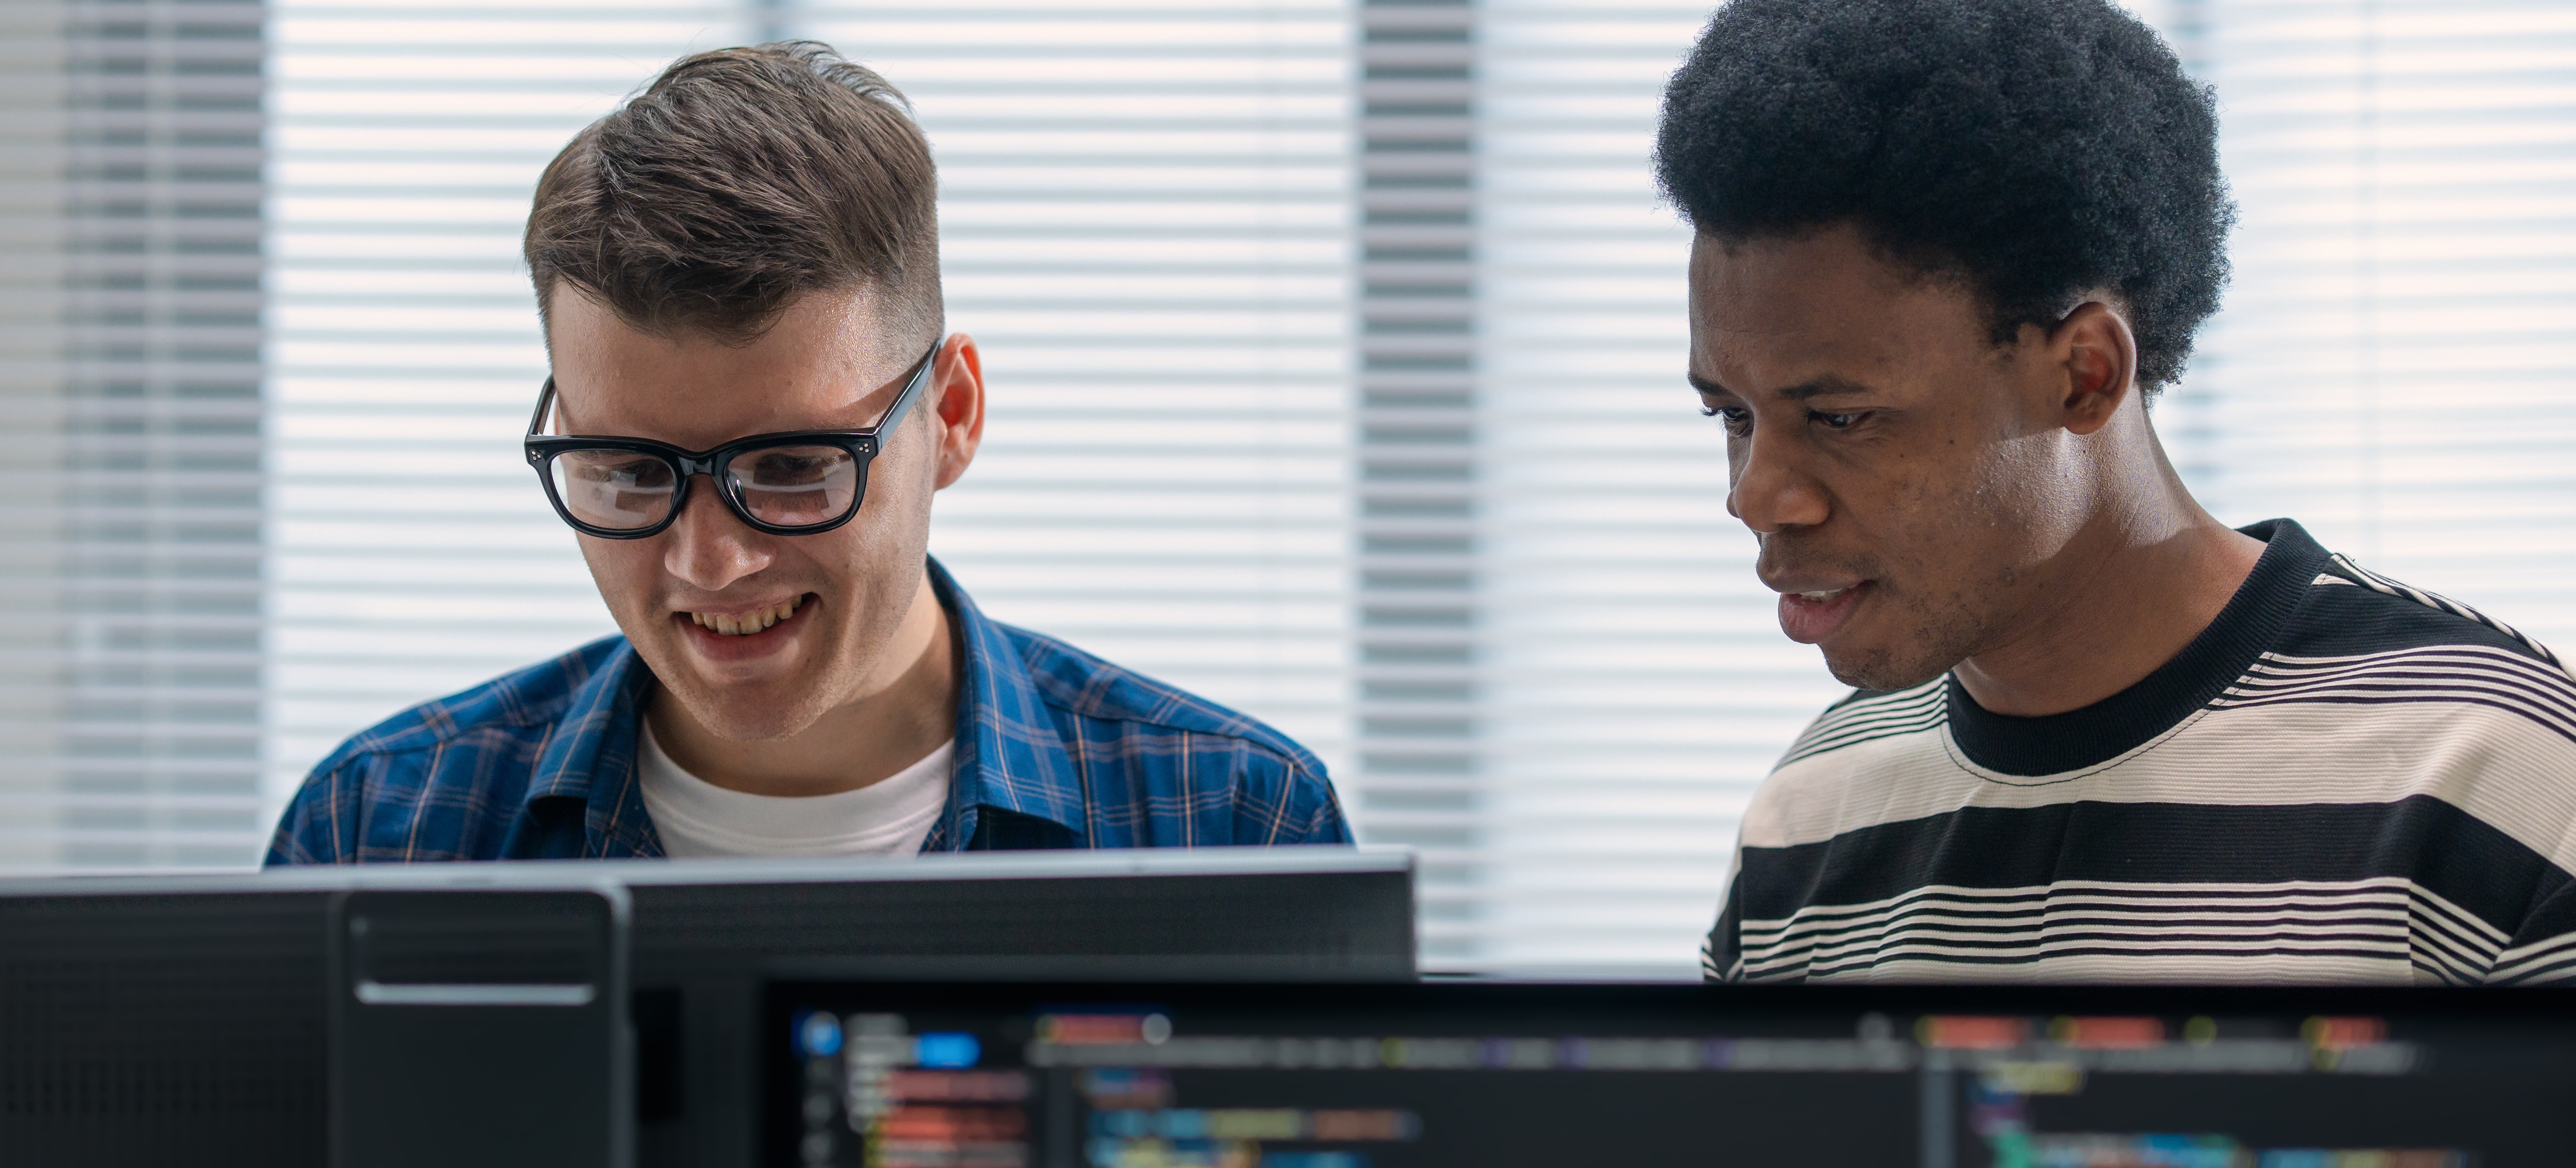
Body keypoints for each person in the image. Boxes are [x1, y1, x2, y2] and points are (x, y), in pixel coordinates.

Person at [1662, 0, 2576, 983]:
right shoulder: (1809, 814)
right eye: (1732, 416)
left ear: (2083, 375)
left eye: (1839, 418)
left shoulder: (2499, 782)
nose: (1757, 498)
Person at [266, 44, 1350, 864]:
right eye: (633, 470)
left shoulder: (1236, 820)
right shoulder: (377, 831)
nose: (708, 563)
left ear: (953, 414)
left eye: (789, 466)